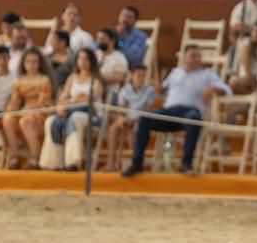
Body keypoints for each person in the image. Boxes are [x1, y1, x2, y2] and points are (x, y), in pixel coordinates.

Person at [121, 44, 231, 177]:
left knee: (194, 119)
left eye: (199, 56)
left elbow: (226, 89)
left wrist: (214, 89)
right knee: (144, 118)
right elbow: (163, 89)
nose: (197, 59)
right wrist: (159, 88)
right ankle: (137, 163)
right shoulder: (176, 72)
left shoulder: (208, 74)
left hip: (189, 112)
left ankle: (186, 164)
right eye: (193, 56)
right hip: (168, 112)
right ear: (185, 58)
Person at [40, 48, 105, 171]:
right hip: (70, 112)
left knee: (75, 118)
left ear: (92, 61)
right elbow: (63, 97)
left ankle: (72, 162)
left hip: (91, 115)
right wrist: (61, 108)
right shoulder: (72, 78)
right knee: (51, 121)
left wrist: (73, 102)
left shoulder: (96, 80)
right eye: (80, 58)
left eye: (86, 59)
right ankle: (54, 162)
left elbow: (90, 100)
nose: (83, 62)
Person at [2, 48, 55, 170]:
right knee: (7, 119)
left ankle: (35, 157)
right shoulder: (19, 80)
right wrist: (11, 109)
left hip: (40, 113)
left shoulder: (44, 79)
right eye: (28, 61)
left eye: (34, 62)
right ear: (24, 63)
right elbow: (15, 100)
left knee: (25, 121)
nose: (31, 65)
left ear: (39, 63)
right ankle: (15, 156)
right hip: (24, 111)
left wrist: (27, 109)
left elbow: (44, 102)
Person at [105, 64, 156, 172]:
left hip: (141, 120)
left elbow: (148, 111)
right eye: (139, 75)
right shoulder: (124, 90)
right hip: (127, 119)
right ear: (132, 76)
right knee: (113, 129)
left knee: (137, 128)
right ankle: (111, 163)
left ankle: (136, 163)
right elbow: (122, 109)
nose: (141, 79)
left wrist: (134, 120)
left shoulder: (149, 91)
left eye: (144, 76)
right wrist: (122, 118)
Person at [231, 21, 257, 95]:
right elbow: (246, 72)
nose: (255, 34)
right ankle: (252, 97)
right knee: (233, 81)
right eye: (253, 31)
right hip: (250, 78)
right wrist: (253, 83)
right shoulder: (246, 45)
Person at [95, 27, 129, 100]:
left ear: (112, 40)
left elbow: (119, 77)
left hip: (110, 93)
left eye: (103, 38)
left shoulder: (119, 58)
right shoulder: (95, 54)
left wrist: (97, 81)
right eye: (98, 38)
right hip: (92, 90)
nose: (99, 41)